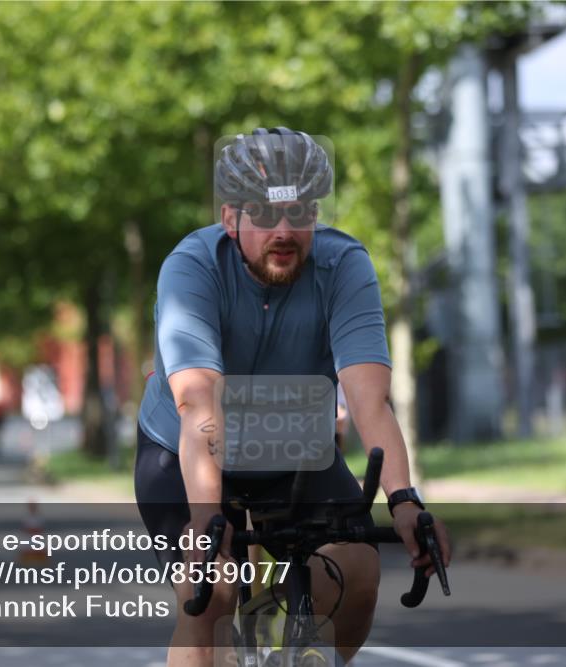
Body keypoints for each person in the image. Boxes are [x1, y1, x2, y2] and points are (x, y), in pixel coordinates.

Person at [134, 127, 451, 666]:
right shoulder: (191, 268)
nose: (283, 231)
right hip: (187, 454)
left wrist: (404, 500)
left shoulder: (344, 265)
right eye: (264, 213)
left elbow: (369, 400)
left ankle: (290, 638)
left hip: (291, 450)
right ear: (230, 218)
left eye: (299, 212)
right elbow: (198, 403)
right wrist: (206, 521)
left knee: (358, 572)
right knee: (212, 593)